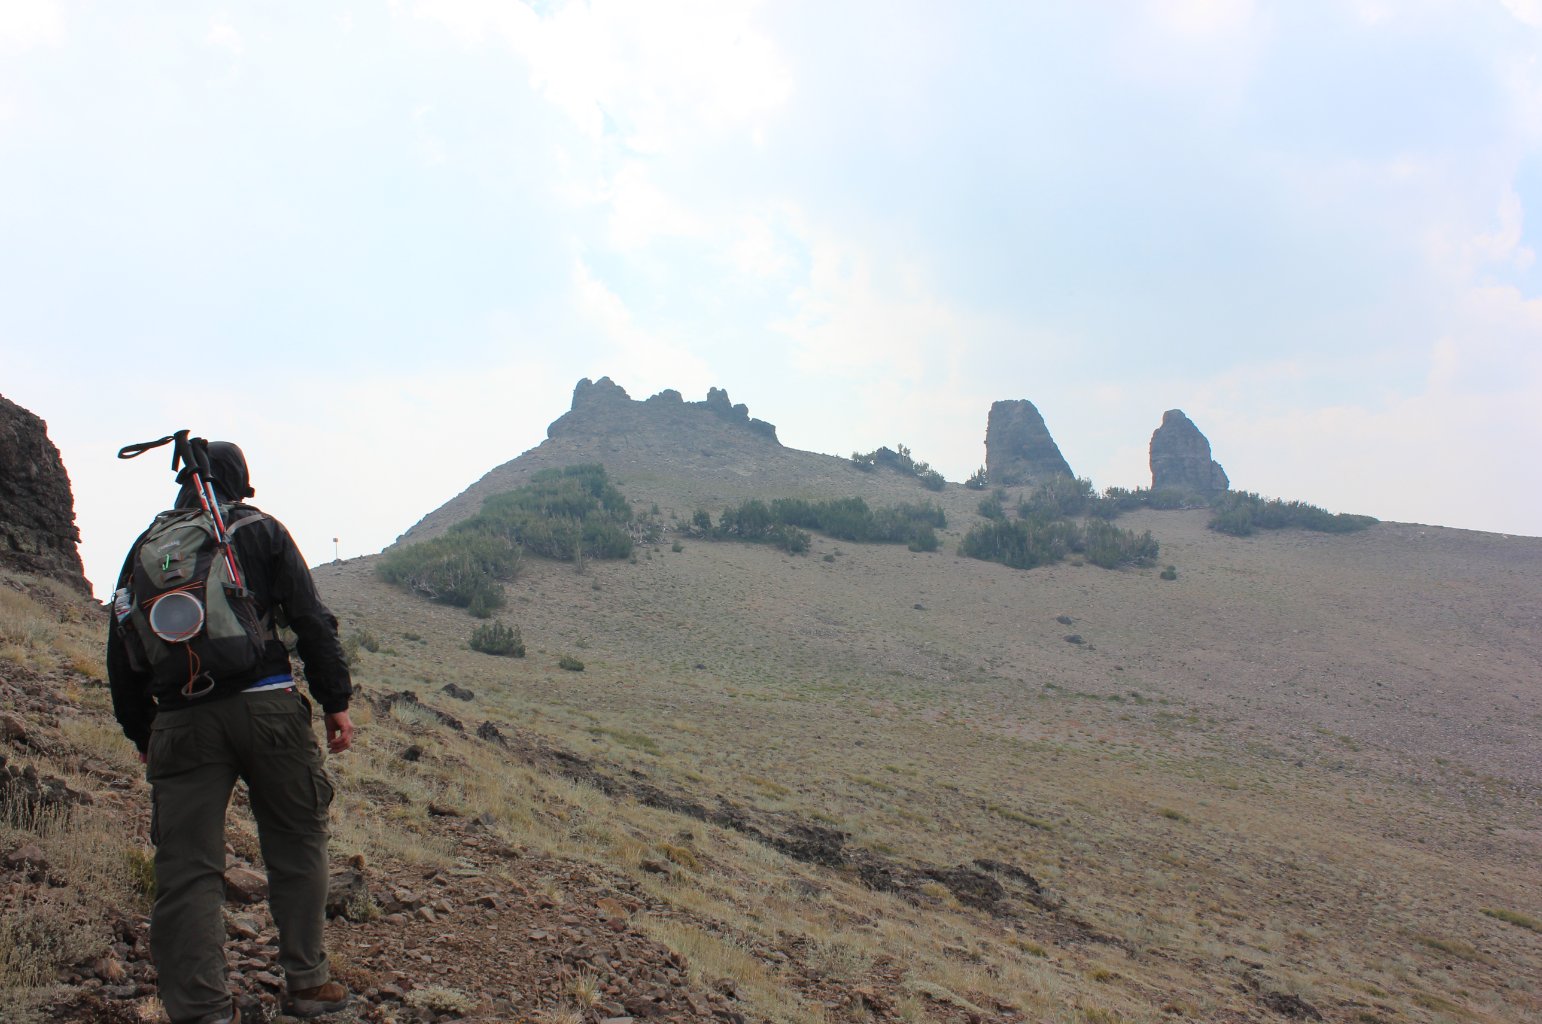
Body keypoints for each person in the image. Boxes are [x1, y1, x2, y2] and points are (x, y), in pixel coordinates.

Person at [108, 441, 356, 1024]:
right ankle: (306, 983)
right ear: (239, 481)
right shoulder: (258, 530)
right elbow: (310, 619)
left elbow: (122, 652)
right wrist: (334, 700)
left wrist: (143, 730)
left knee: (187, 867)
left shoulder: (145, 551)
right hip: (268, 708)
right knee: (296, 842)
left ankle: (202, 1010)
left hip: (180, 719)